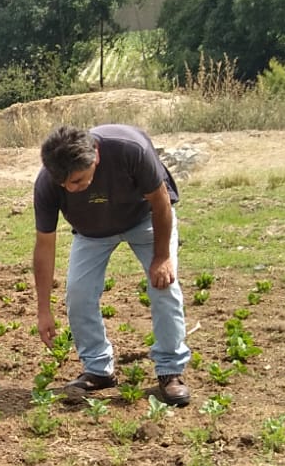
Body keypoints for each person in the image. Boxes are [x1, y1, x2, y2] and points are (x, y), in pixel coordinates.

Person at [31, 124, 192, 406]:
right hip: (91, 232)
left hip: (144, 220)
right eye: (64, 185)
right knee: (78, 294)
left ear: (96, 157)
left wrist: (163, 257)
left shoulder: (130, 150)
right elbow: (44, 245)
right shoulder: (47, 182)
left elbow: (161, 201)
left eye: (78, 181)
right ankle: (98, 369)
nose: (71, 189)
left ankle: (170, 369)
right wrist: (43, 309)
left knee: (164, 286)